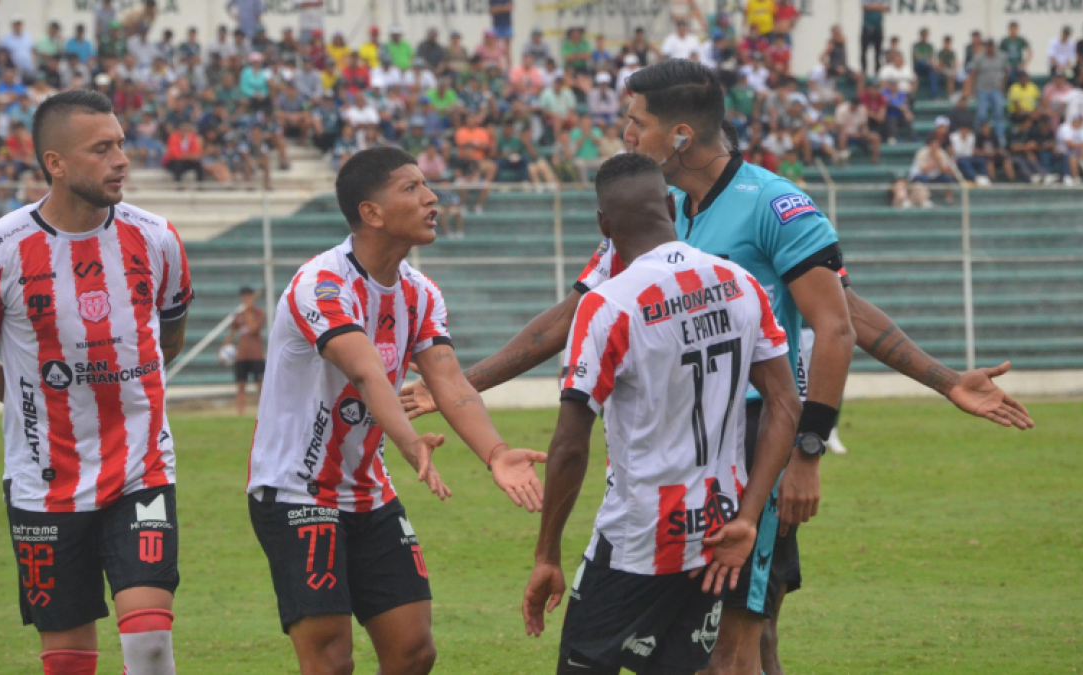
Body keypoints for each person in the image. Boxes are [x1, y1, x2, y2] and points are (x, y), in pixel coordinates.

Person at [401, 59, 1034, 675]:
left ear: (680, 134)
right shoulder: (656, 209)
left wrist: (812, 450)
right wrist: (458, 384)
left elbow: (841, 320)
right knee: (725, 643)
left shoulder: (774, 204)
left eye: (636, 122)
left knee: (734, 646)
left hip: (757, 442)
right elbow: (570, 315)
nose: (626, 135)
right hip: (672, 461)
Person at [245, 147, 546, 675]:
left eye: (426, 185)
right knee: (330, 661)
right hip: (298, 492)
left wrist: (496, 453)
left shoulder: (420, 292)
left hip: (368, 491)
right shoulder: (321, 284)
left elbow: (448, 380)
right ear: (372, 213)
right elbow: (366, 372)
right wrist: (409, 442)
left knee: (413, 651)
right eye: (411, 188)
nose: (431, 197)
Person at [523, 152, 800, 675]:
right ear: (671, 210)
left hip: (638, 539)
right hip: (716, 530)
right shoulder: (741, 283)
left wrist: (546, 555)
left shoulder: (607, 305)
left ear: (604, 226)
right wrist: (747, 517)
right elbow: (786, 404)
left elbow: (571, 445)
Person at [0, 89, 192, 675]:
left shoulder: (157, 237)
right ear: (54, 163)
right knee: (67, 661)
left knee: (151, 640)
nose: (121, 160)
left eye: (121, 145)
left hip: (140, 469)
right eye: (101, 149)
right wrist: (32, 397)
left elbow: (169, 334)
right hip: (44, 479)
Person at [221, 286, 266, 416]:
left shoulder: (259, 314)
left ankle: (264, 412)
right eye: (244, 297)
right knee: (241, 386)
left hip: (256, 356)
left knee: (260, 385)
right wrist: (225, 347)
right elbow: (232, 332)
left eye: (248, 297)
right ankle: (240, 413)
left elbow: (253, 329)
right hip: (241, 356)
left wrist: (247, 313)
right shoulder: (238, 316)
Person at [969, 39, 1009, 147]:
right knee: (982, 115)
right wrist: (972, 89)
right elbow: (973, 73)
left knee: (999, 114)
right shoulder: (979, 57)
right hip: (982, 89)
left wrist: (1003, 85)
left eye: (992, 46)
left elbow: (1006, 71)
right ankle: (979, 138)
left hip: (996, 89)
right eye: (988, 46)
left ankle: (1000, 138)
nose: (990, 48)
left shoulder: (1001, 57)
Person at [860, 0, 889, 76]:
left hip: (878, 28)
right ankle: (864, 72)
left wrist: (872, 6)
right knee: (864, 52)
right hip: (867, 27)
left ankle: (877, 72)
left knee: (878, 52)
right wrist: (879, 6)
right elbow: (865, 6)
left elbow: (886, 7)